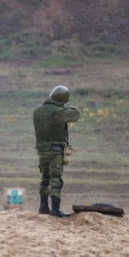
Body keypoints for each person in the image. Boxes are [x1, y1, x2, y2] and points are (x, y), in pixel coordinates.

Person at [33, 85, 81, 217]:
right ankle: (55, 209)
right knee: (56, 179)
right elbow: (76, 114)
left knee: (45, 178)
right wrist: (63, 107)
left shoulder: (37, 110)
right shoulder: (58, 111)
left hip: (42, 150)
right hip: (55, 151)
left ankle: (43, 206)